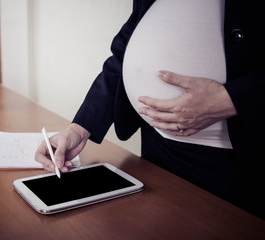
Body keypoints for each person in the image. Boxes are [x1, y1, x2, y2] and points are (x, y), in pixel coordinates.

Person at [35, 0, 265, 219]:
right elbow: (124, 52)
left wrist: (232, 98)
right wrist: (81, 127)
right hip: (158, 147)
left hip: (233, 159)